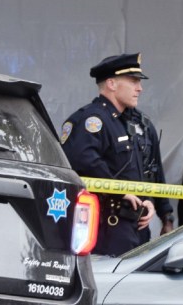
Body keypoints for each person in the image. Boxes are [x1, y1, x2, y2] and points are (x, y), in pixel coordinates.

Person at [60, 53, 156, 256]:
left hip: (135, 225)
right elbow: (82, 159)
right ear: (111, 84)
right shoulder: (92, 119)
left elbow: (138, 169)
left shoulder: (129, 122)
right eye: (133, 81)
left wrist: (148, 200)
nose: (140, 88)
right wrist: (119, 191)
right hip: (109, 224)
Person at [121, 107, 176, 241]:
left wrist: (166, 217)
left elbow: (156, 172)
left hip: (140, 218)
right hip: (110, 217)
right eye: (133, 84)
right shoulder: (102, 122)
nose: (139, 89)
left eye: (139, 84)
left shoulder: (143, 124)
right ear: (112, 84)